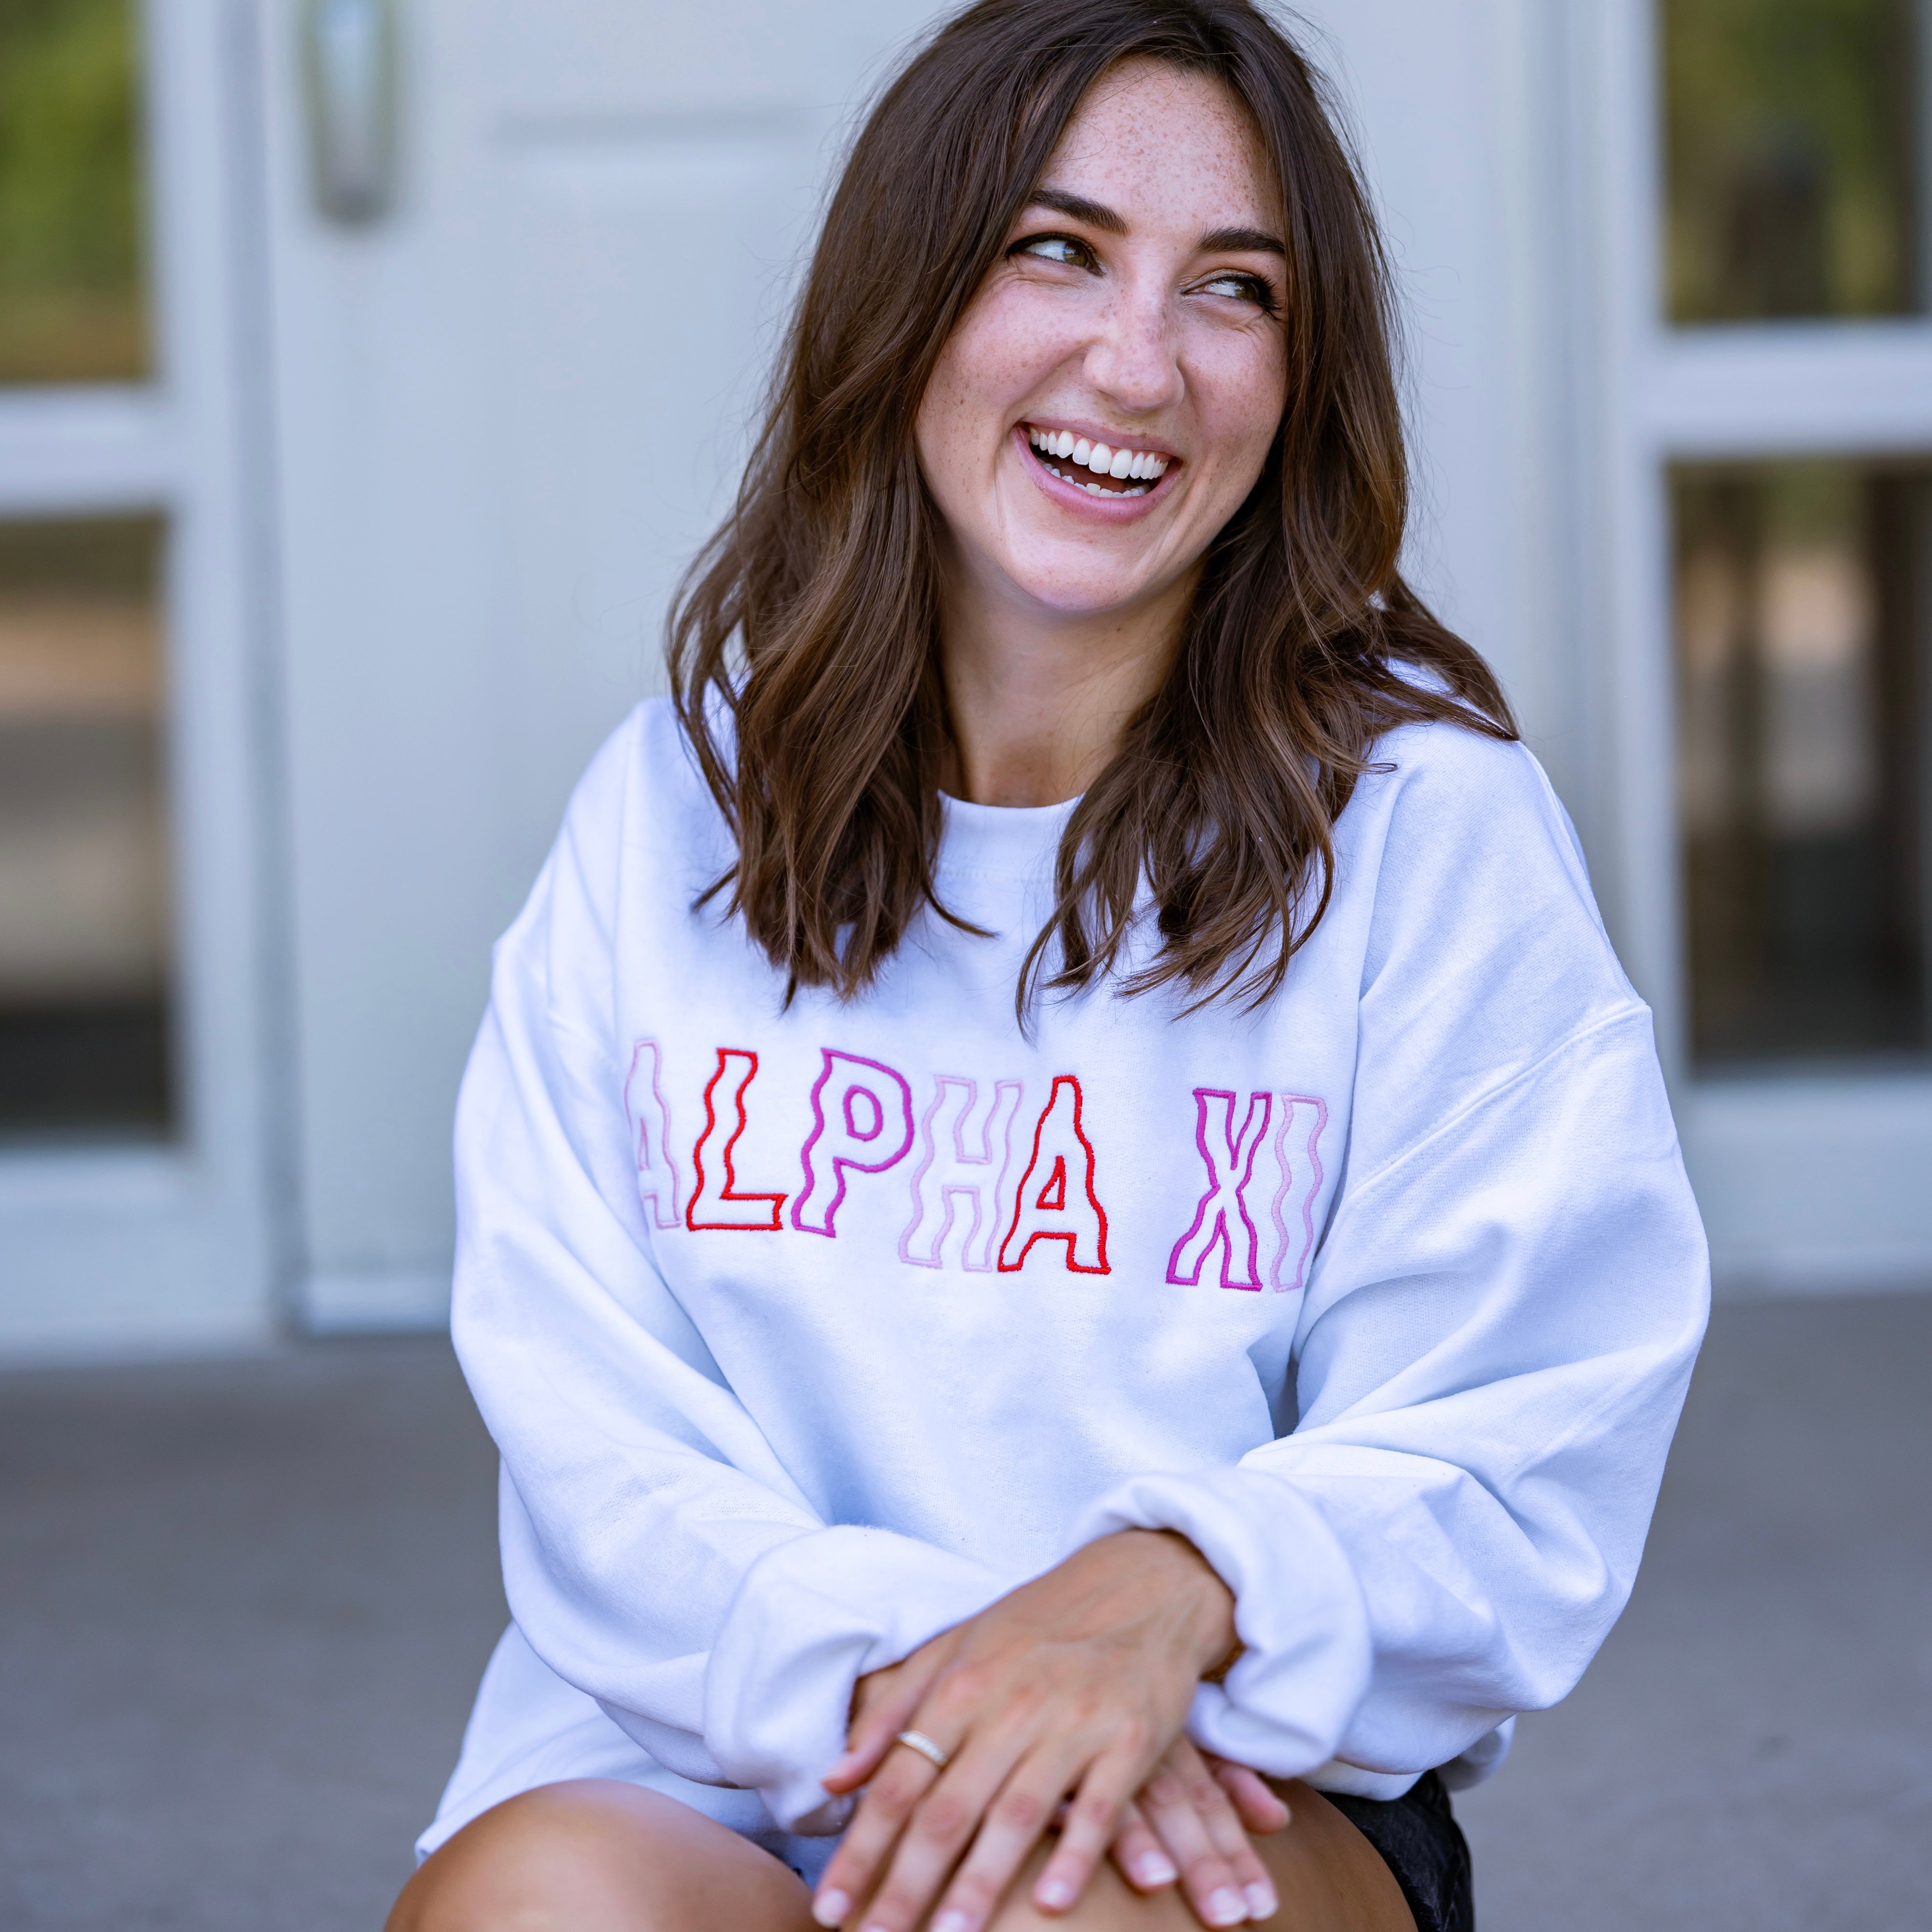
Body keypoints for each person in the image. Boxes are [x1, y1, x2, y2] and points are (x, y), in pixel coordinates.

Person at [386, 2, 1708, 1928]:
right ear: (909, 299)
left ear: (1297, 374)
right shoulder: (676, 804)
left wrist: (1177, 1584)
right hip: (705, 1742)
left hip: (1226, 1760)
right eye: (1055, 249)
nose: (1137, 360)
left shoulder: (1424, 828)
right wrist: (949, 1690)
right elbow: (591, 1424)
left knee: (1042, 1908)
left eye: (1232, 290)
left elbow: (1522, 1440)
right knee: (540, 1908)